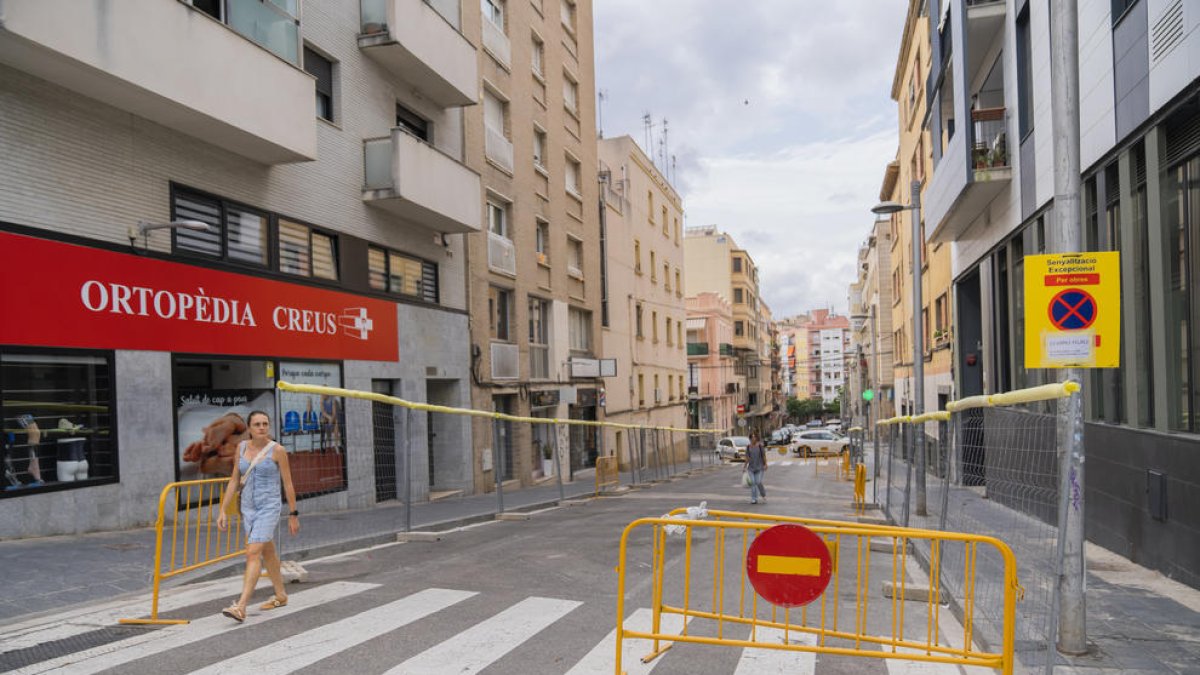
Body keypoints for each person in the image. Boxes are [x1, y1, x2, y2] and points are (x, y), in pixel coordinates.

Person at [216, 410, 300, 622]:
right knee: (267, 551)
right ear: (249, 429)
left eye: (265, 424)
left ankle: (241, 606)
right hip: (248, 508)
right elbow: (235, 479)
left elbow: (288, 483)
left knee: (253, 552)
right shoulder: (241, 448)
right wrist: (223, 510)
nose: (262, 427)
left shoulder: (277, 450)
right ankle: (281, 595)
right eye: (257, 424)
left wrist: (293, 513)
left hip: (269, 507)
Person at [745, 431, 767, 505]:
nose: (753, 438)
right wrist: (744, 466)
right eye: (752, 437)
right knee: (753, 483)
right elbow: (747, 458)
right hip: (751, 468)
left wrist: (765, 464)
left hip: (759, 468)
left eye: (754, 437)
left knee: (758, 482)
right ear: (750, 438)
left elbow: (763, 456)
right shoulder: (748, 447)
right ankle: (754, 499)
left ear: (757, 438)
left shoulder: (760, 446)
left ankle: (763, 494)